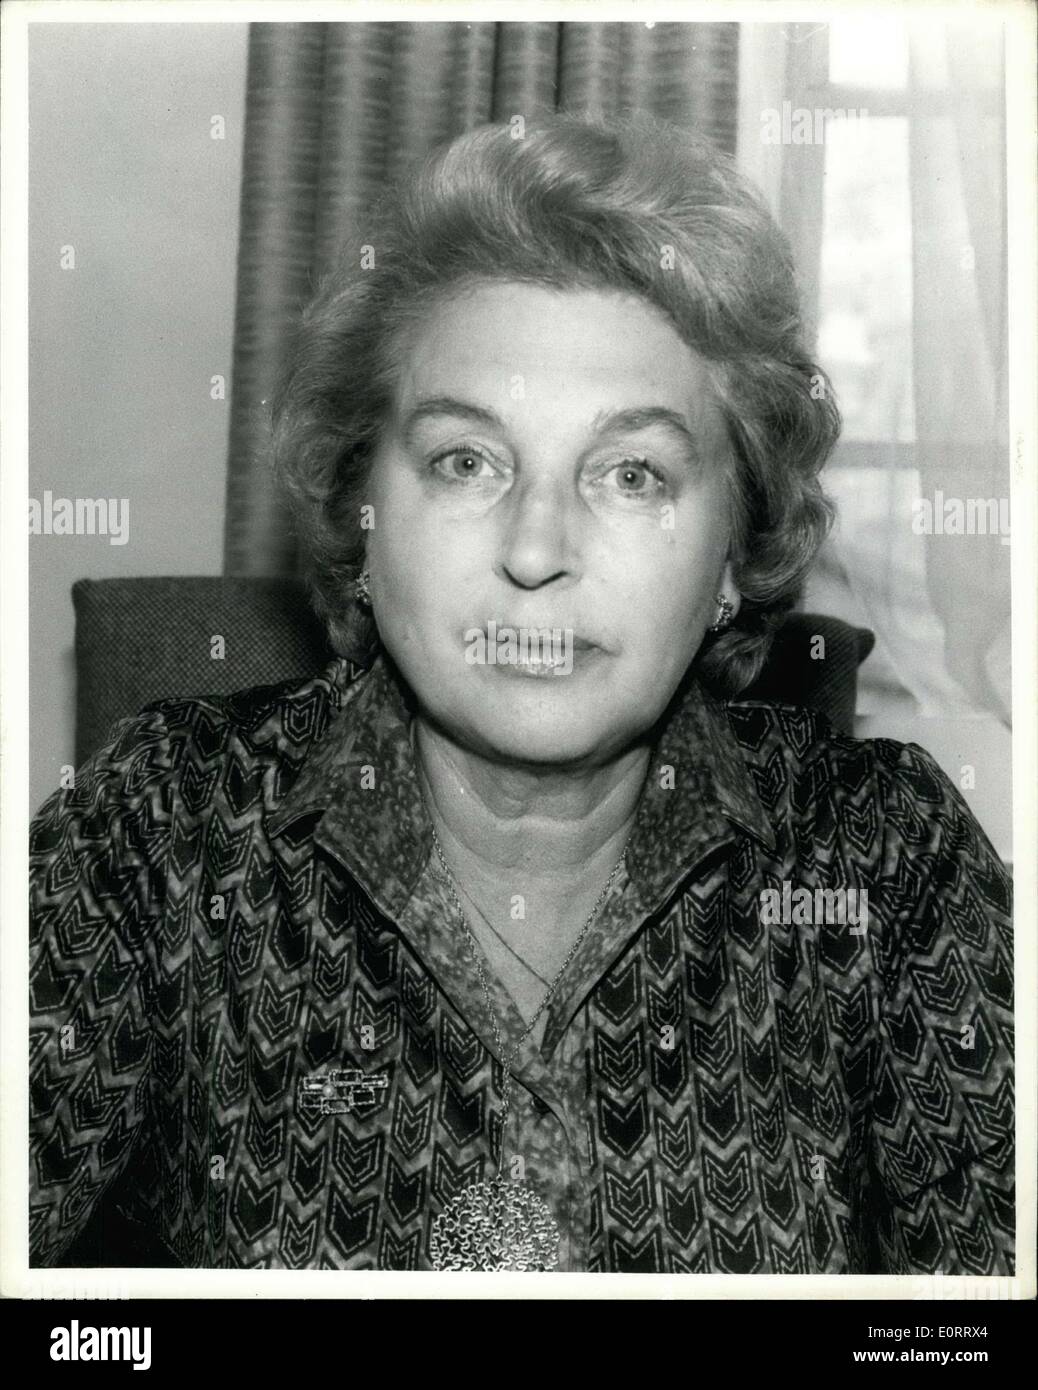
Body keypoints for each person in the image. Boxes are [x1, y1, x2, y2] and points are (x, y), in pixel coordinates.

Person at [29, 114, 1014, 1274]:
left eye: (632, 473)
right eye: (467, 461)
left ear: (732, 555)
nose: (537, 548)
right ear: (364, 514)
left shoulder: (887, 864)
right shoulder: (161, 836)